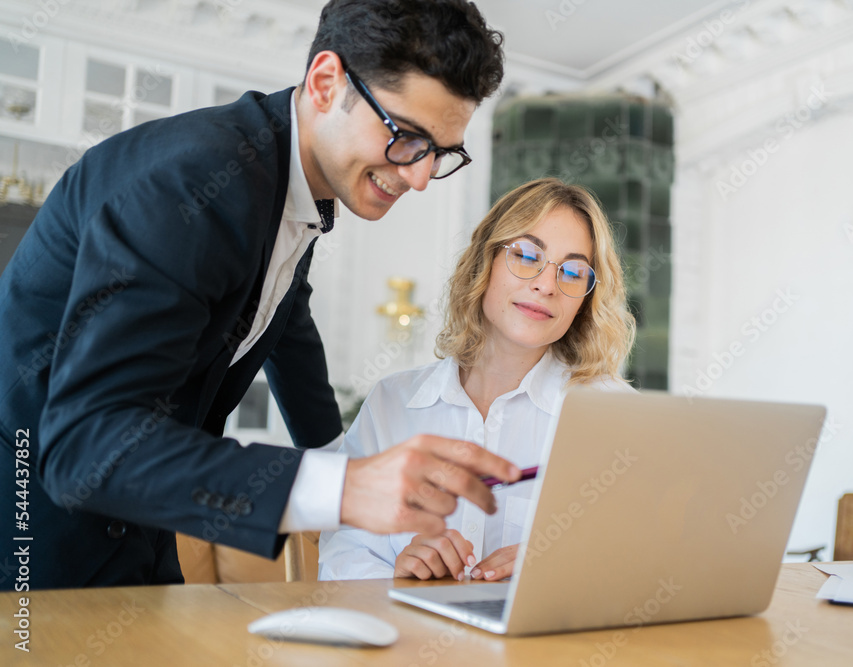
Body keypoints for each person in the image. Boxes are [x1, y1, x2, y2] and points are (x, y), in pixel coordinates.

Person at [0, 0, 517, 591]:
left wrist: (355, 470)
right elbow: (83, 448)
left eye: (442, 152)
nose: (421, 176)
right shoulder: (195, 182)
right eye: (406, 136)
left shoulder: (289, 187)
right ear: (326, 82)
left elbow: (285, 322)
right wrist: (346, 489)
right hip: (26, 533)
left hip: (136, 530)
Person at [317, 177, 637, 581]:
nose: (545, 285)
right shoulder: (393, 403)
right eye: (525, 255)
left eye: (573, 273)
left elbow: (643, 563)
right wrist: (396, 574)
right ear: (484, 263)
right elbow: (340, 553)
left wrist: (561, 565)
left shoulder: (614, 413)